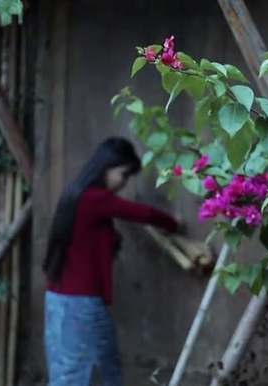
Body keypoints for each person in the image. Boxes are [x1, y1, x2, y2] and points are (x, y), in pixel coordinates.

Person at [42, 137, 180, 386]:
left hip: (59, 301)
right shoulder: (96, 198)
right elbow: (143, 213)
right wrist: (175, 224)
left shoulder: (75, 194)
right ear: (107, 167)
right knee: (89, 374)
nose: (124, 182)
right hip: (80, 304)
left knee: (75, 371)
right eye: (123, 174)